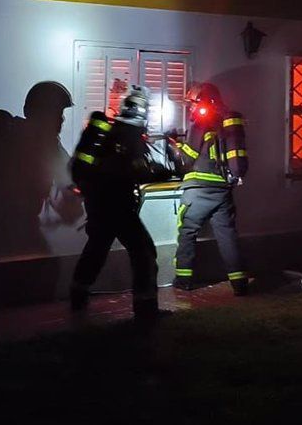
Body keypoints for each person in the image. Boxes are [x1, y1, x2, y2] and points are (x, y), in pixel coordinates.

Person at [68, 86, 173, 319]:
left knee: (95, 250)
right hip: (118, 206)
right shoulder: (129, 134)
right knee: (144, 253)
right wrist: (161, 173)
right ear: (143, 111)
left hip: (97, 205)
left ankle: (77, 299)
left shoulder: (109, 132)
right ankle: (146, 310)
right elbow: (134, 171)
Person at [0, 82, 75, 259]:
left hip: (6, 230)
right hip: (8, 232)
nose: (61, 120)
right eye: (57, 113)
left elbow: (70, 180)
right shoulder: (36, 141)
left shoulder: (44, 142)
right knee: (43, 272)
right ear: (41, 113)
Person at [168, 82, 251, 295]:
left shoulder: (200, 123)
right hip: (223, 190)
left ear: (202, 101)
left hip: (198, 190)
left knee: (187, 231)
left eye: (193, 103)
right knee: (227, 235)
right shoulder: (226, 122)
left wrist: (173, 147)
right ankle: (240, 283)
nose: (191, 109)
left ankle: (184, 280)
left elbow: (186, 160)